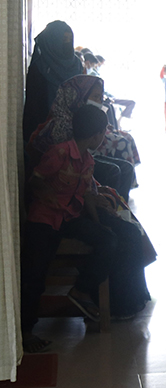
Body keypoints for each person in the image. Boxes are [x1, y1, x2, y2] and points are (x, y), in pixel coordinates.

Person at [21, 105, 114, 352]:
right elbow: (36, 181)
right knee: (35, 274)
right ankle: (26, 331)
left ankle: (81, 290)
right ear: (96, 134)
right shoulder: (60, 153)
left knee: (107, 239)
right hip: (44, 219)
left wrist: (97, 225)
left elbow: (85, 195)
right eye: (103, 132)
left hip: (68, 218)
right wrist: (49, 197)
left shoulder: (87, 160)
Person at [29, 75, 140, 201]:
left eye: (100, 98)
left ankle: (117, 206)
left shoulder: (85, 118)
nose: (99, 102)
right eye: (95, 97)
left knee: (127, 168)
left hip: (82, 161)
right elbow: (66, 165)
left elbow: (86, 156)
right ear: (78, 96)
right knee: (112, 171)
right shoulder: (60, 126)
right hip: (67, 172)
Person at [23, 20, 85, 141]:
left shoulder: (76, 64)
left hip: (73, 129)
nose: (67, 42)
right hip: (42, 127)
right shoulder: (39, 67)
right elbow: (33, 106)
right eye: (63, 39)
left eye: (69, 39)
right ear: (52, 41)